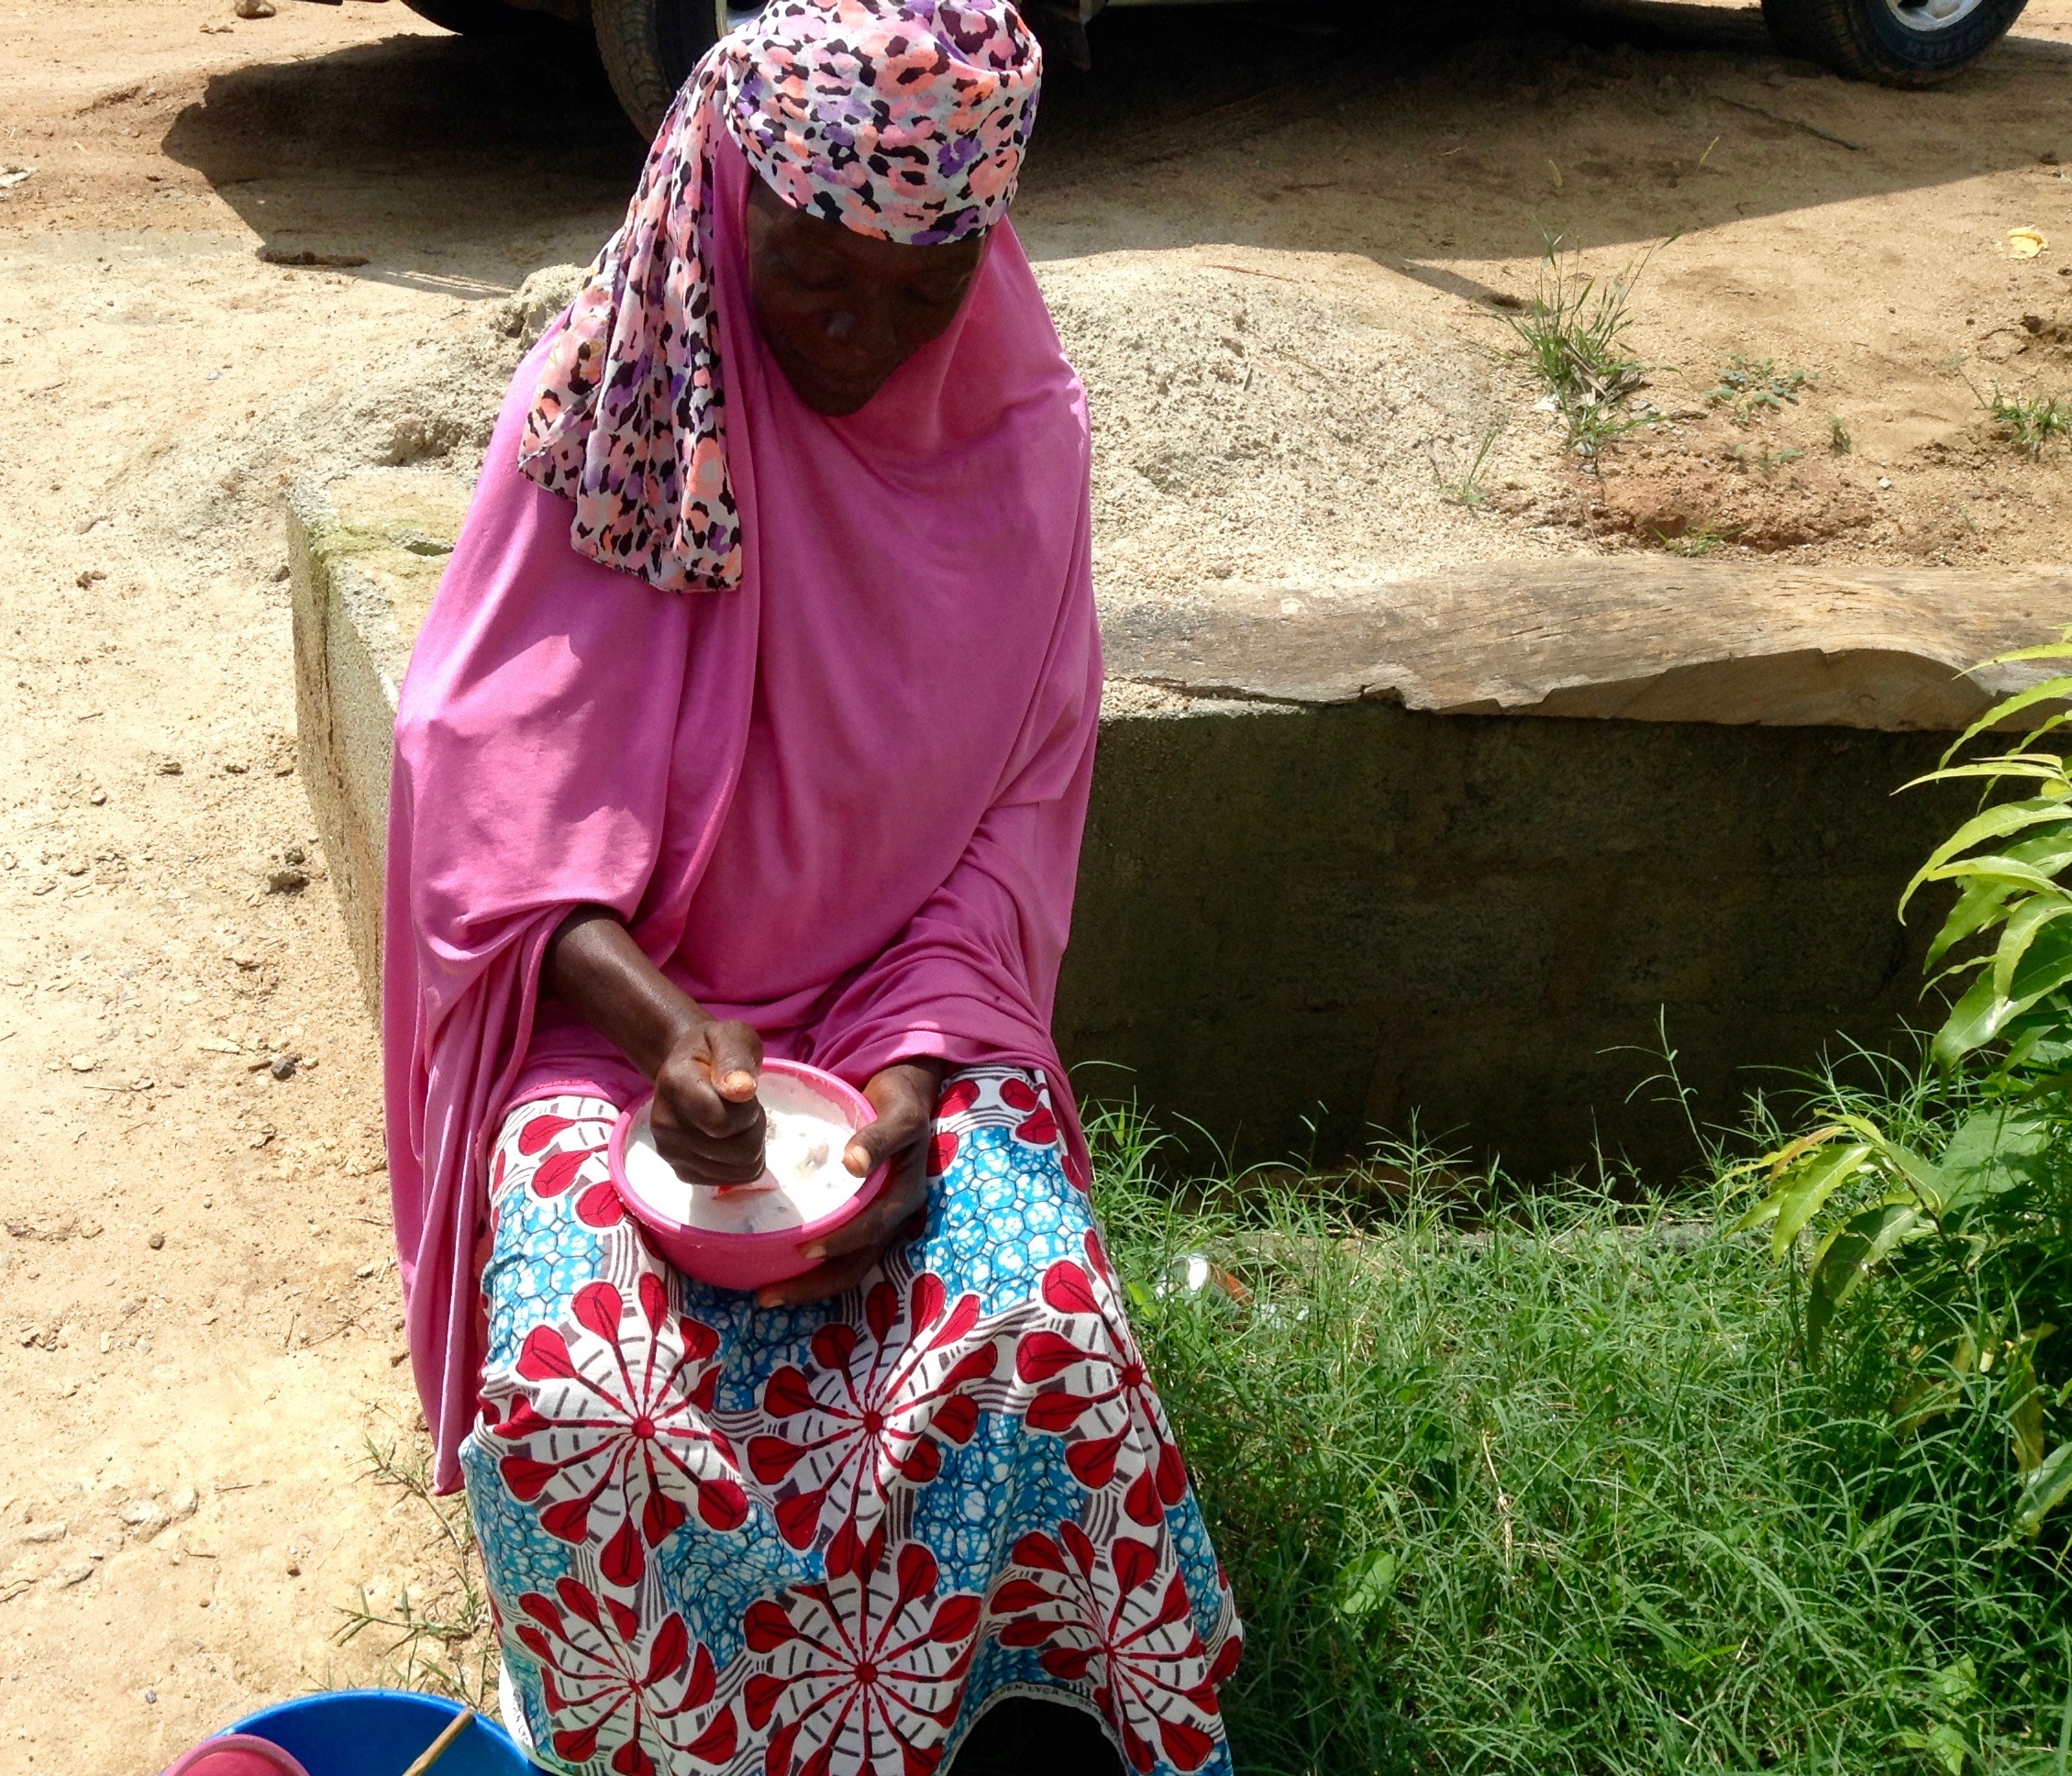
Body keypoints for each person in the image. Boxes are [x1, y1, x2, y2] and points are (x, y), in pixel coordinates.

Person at [382, 5, 1239, 1772]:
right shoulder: (615, 412)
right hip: (615, 1027)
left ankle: (1019, 1711)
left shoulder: (1019, 433)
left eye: (922, 290)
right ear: (722, 207)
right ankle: (671, 1736)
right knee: (586, 1389)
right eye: (812, 281)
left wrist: (922, 1070)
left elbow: (1019, 808)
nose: (865, 341)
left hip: (903, 1007)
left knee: (1033, 1326)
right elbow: (485, 802)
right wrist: (675, 1024)